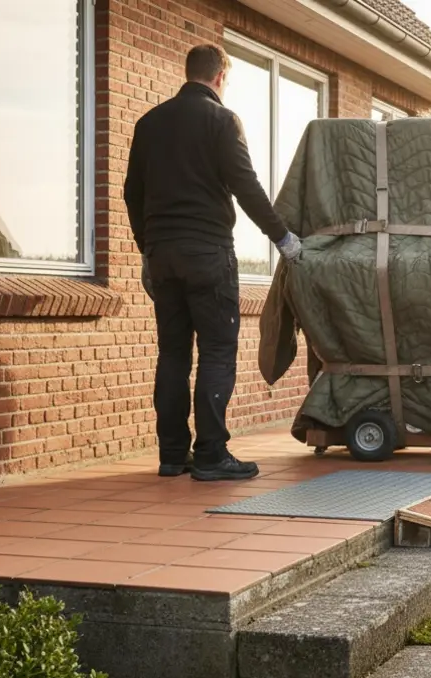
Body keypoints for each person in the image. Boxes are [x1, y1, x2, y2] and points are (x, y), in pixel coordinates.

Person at [124, 44, 303, 482]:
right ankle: (210, 454)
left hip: (163, 257)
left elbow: (132, 192)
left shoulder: (149, 123)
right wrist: (283, 237)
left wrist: (148, 247)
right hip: (208, 254)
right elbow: (245, 185)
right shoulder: (222, 121)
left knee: (172, 353)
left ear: (188, 72)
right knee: (218, 352)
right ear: (221, 76)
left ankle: (171, 455)